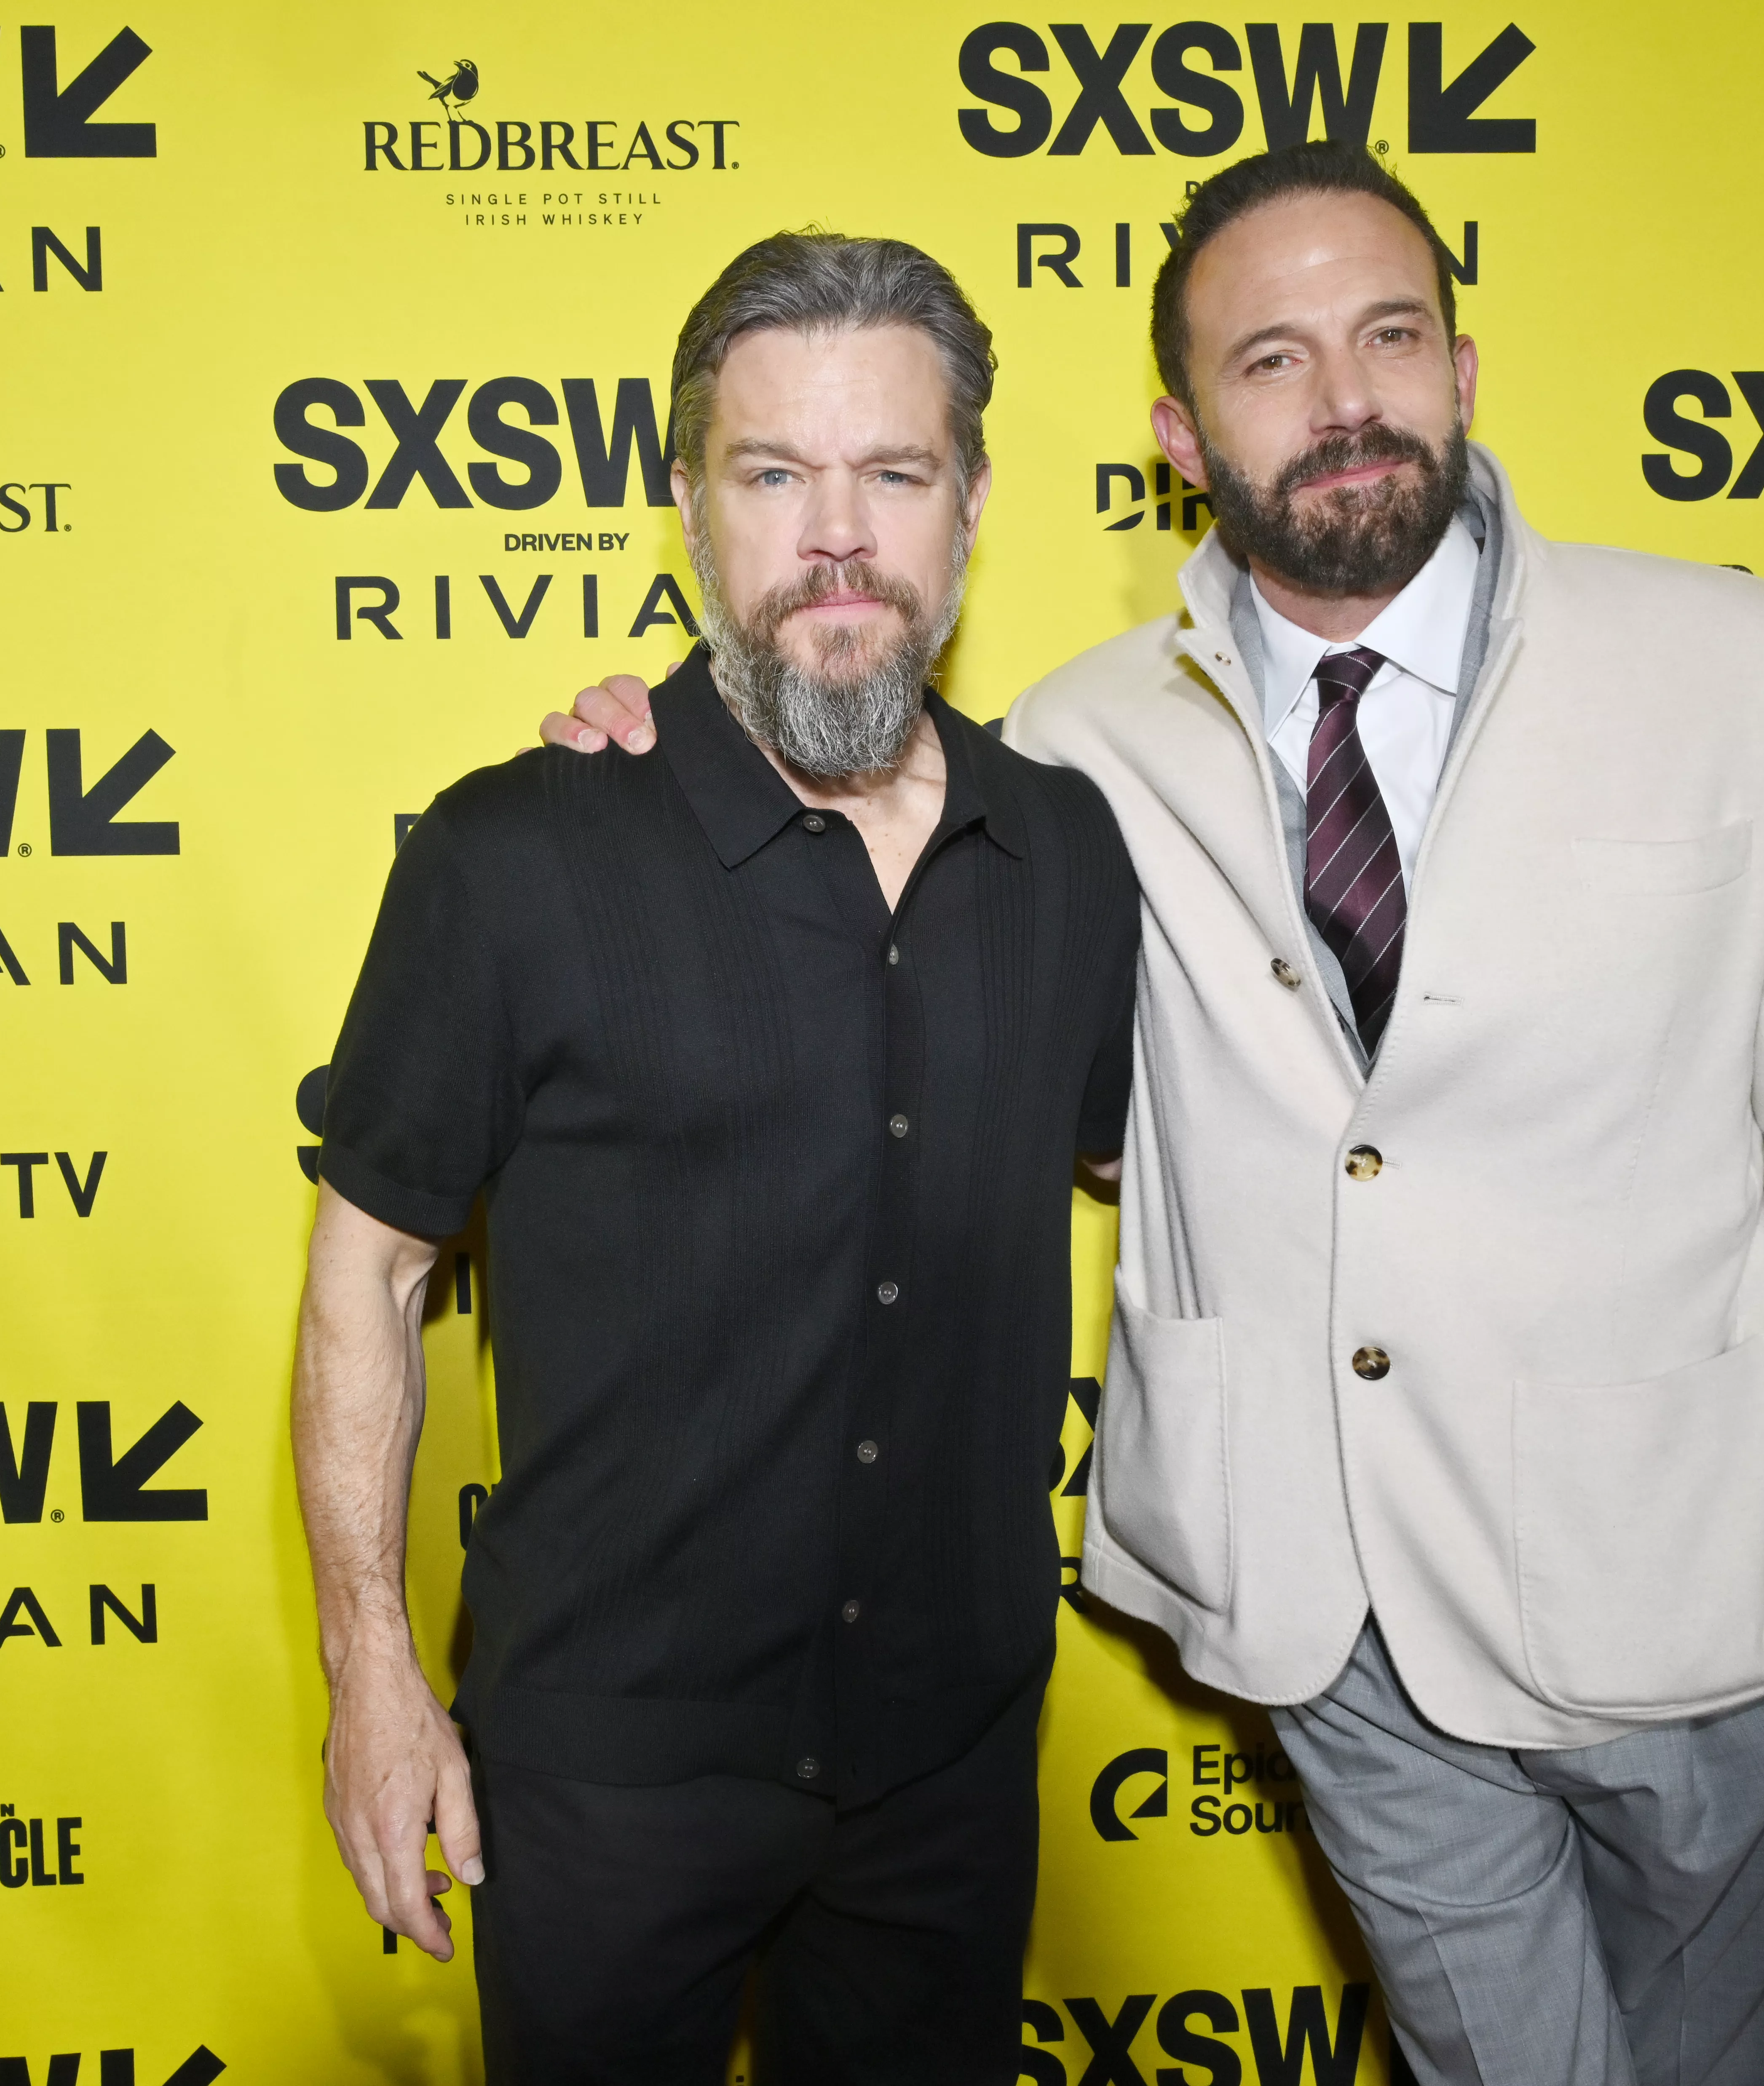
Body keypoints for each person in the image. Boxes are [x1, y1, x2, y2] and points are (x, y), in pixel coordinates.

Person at [542, 142, 1764, 2086]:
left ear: (1464, 367)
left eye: (1390, 337)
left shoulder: (1762, 676)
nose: (1347, 400)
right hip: (1342, 1625)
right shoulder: (1066, 750)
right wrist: (646, 751)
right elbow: (856, 876)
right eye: (1273, 361)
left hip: (1721, 1599)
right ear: (1180, 428)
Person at [290, 229, 1138, 2084]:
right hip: (605, 1774)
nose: (838, 536)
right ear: (689, 506)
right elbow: (370, 1261)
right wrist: (370, 1668)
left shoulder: (1074, 853)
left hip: (952, 1759)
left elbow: (1146, 1172)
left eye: (894, 475)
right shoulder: (513, 856)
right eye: (774, 475)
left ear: (972, 507)